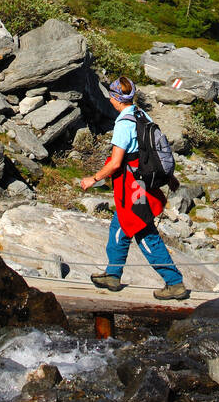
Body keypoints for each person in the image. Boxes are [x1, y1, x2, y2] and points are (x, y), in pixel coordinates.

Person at [80, 76, 189, 301]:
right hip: (141, 183)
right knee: (120, 227)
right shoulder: (142, 115)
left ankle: (174, 283)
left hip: (132, 187)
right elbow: (154, 151)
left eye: (111, 95)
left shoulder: (123, 123)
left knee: (142, 231)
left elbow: (116, 162)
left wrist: (93, 178)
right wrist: (169, 177)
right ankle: (112, 274)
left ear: (114, 98)